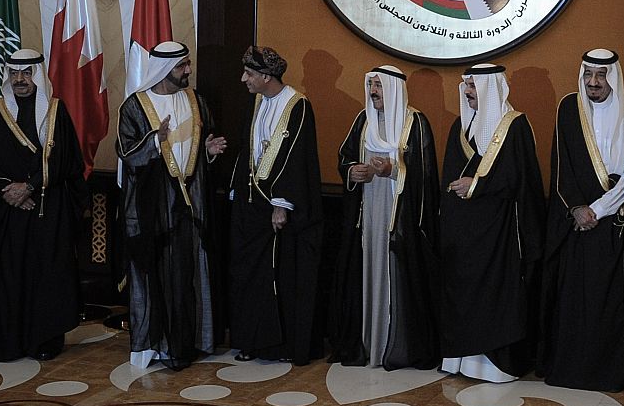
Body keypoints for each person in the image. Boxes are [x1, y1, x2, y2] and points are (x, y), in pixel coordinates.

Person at [541, 49, 624, 391]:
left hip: (614, 222)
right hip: (576, 224)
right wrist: (578, 209)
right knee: (574, 302)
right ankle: (570, 371)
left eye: (601, 75)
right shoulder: (569, 107)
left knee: (607, 304)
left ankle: (607, 374)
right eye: (588, 74)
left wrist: (599, 209)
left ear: (614, 76)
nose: (593, 82)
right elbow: (561, 165)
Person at [117, 40, 226, 370]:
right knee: (157, 276)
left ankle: (190, 341)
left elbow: (200, 148)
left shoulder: (196, 101)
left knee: (188, 274)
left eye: (187, 64)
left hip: (191, 207)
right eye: (181, 66)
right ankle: (157, 345)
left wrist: (209, 151)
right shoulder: (135, 107)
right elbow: (127, 153)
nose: (188, 70)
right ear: (164, 70)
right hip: (152, 209)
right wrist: (155, 140)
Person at [0, 48, 85, 363]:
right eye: (14, 73)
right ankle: (10, 339)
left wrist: (30, 186)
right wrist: (11, 192)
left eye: (26, 73)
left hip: (48, 210)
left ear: (37, 75)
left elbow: (66, 160)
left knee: (47, 274)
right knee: (11, 275)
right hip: (9, 211)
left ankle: (45, 339)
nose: (19, 80)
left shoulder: (55, 111)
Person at [328, 64, 441, 369]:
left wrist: (393, 170)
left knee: (397, 278)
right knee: (364, 274)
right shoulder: (363, 121)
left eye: (378, 86)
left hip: (400, 219)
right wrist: (353, 172)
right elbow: (345, 158)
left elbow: (426, 174)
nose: (373, 91)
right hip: (367, 216)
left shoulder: (414, 122)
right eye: (371, 85)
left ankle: (396, 347)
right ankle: (367, 344)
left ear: (392, 89)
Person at [439, 62, 545, 382]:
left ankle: (495, 364)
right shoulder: (461, 126)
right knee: (464, 292)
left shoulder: (515, 125)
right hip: (465, 233)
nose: (467, 91)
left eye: (473, 86)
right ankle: (462, 358)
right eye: (466, 86)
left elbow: (520, 177)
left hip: (500, 233)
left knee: (495, 294)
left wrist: (478, 185)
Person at [228, 45, 323, 364]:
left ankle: (281, 346)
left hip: (279, 209)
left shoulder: (297, 105)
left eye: (249, 74)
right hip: (251, 205)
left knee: (279, 275)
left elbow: (298, 157)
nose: (244, 79)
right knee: (249, 275)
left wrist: (281, 204)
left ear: (267, 76)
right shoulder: (256, 101)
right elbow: (248, 148)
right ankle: (251, 341)